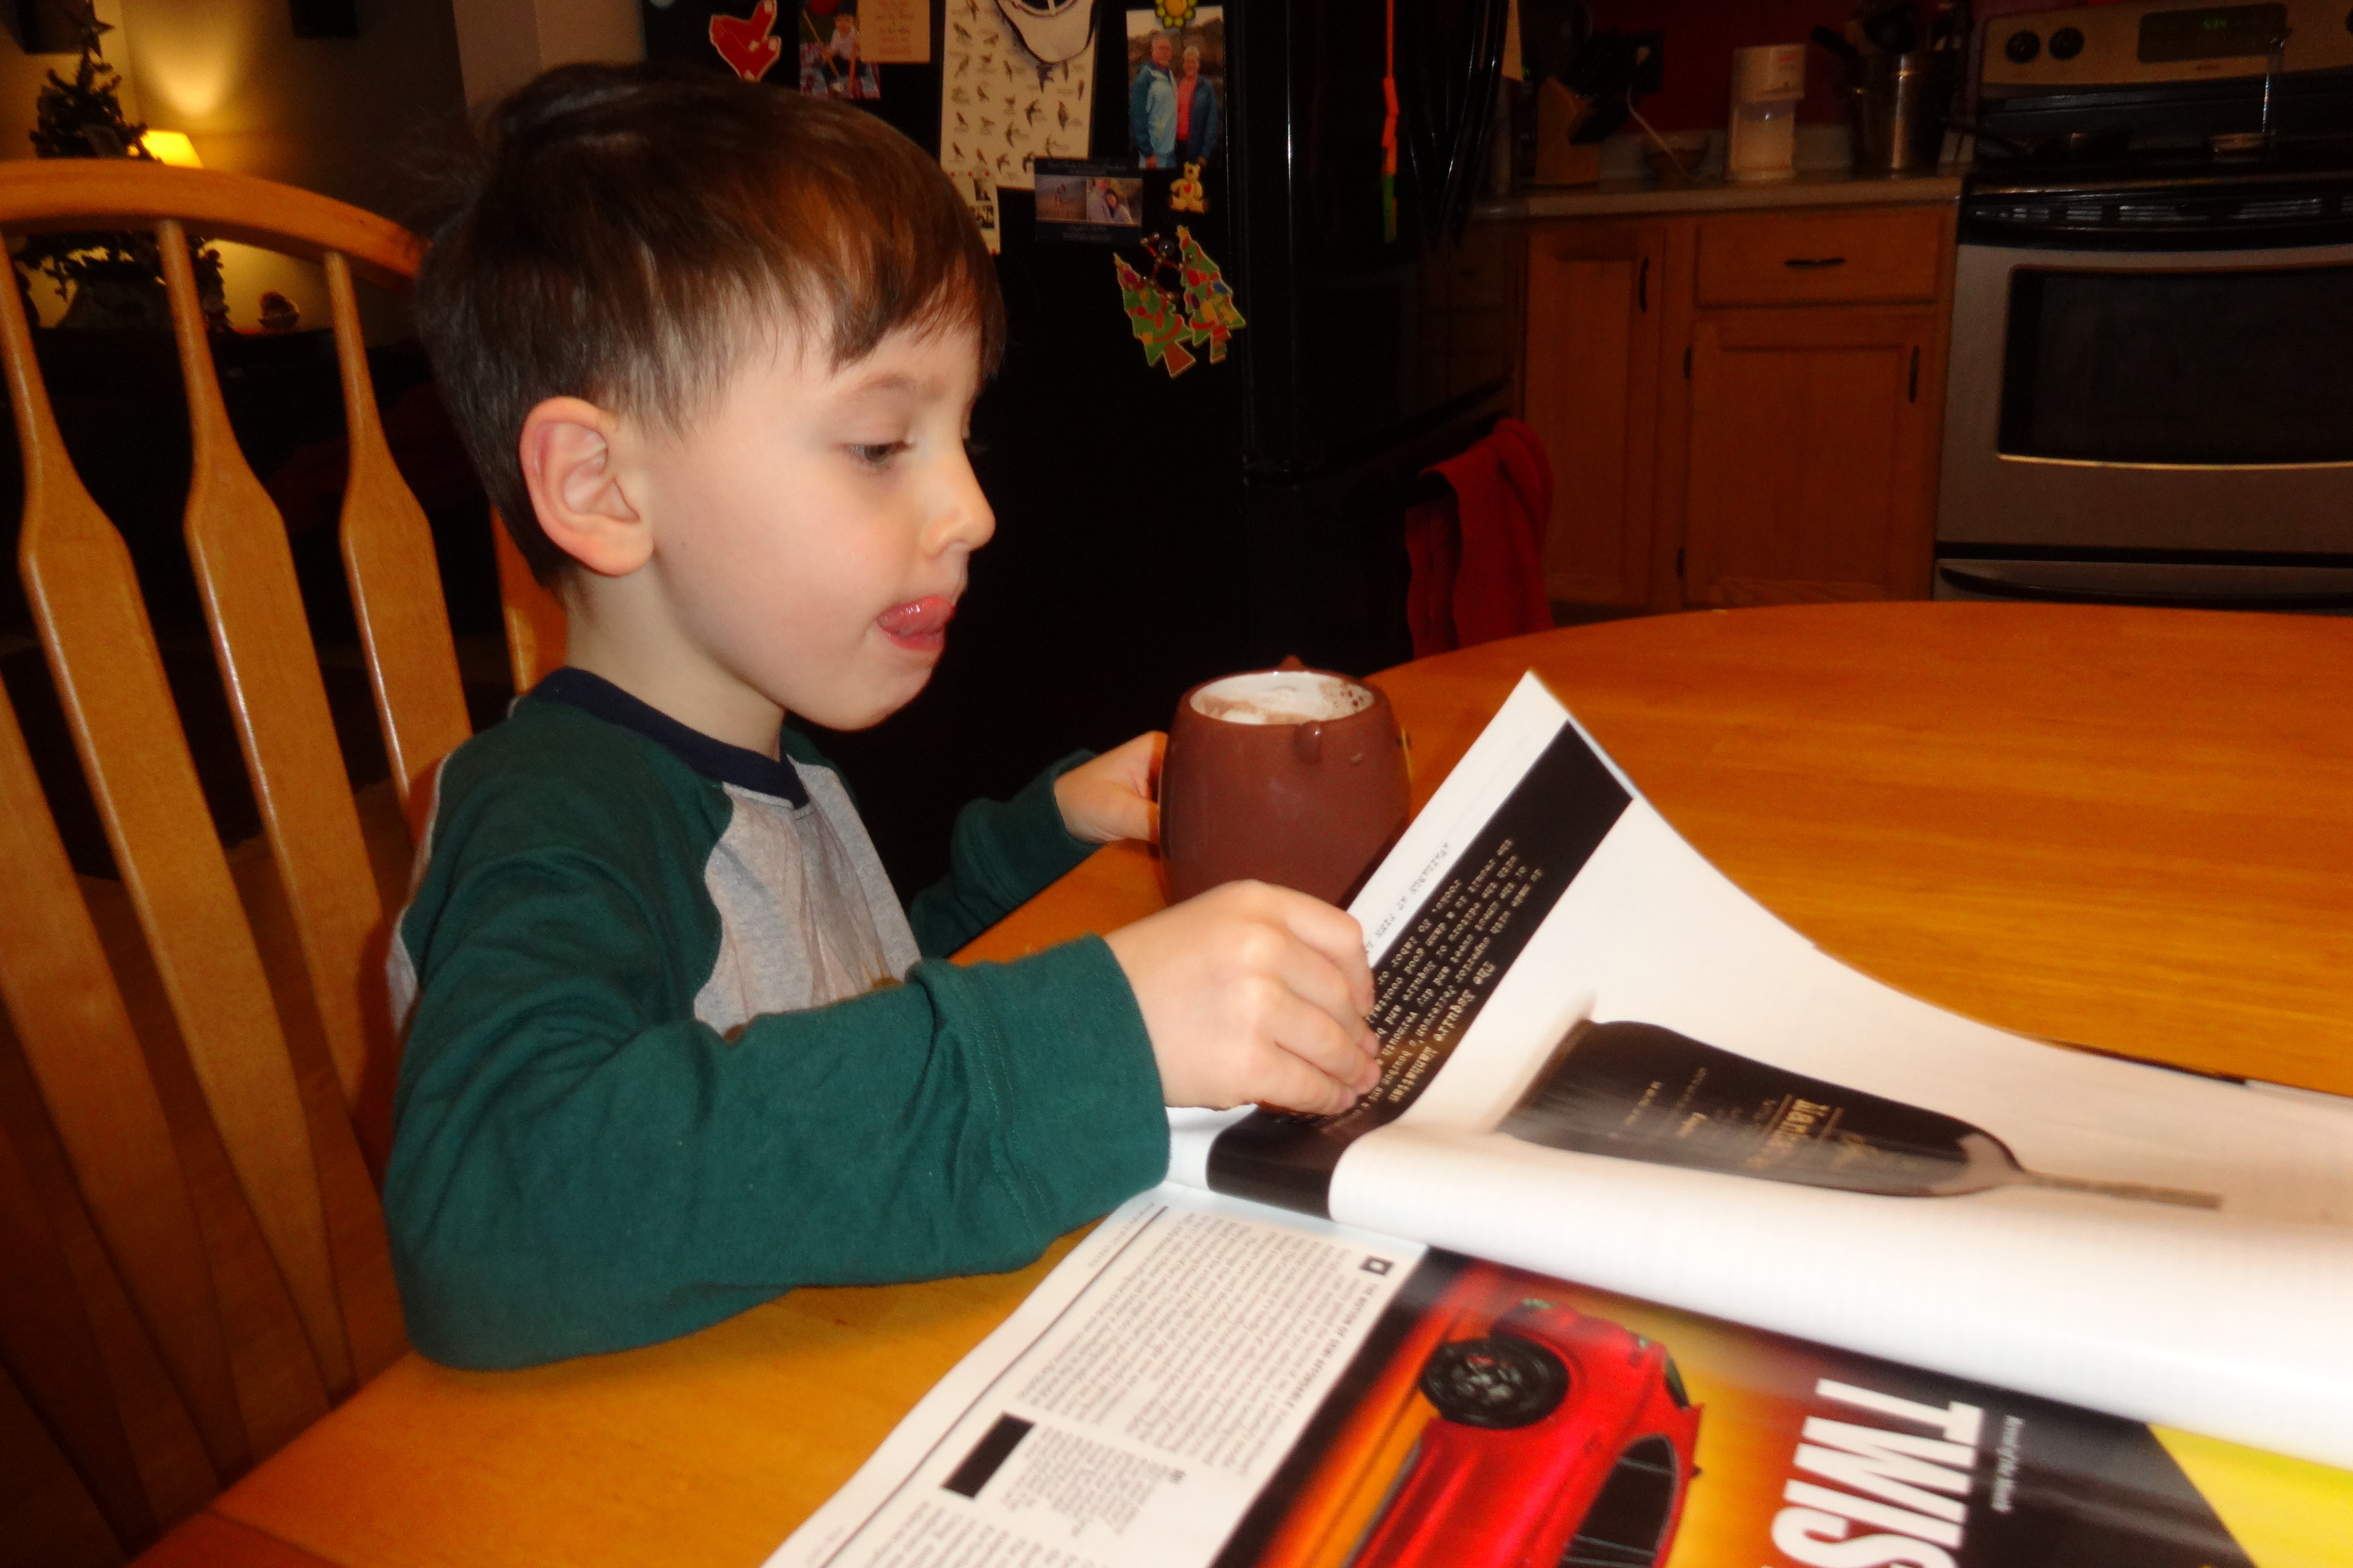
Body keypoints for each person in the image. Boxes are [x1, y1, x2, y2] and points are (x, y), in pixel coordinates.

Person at [396, 65, 1382, 1371]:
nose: (972, 511)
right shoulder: (553, 815)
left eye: (962, 434)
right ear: (600, 487)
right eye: (878, 445)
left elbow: (826, 1021)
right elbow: (489, 1206)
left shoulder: (768, 751)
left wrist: (1038, 840)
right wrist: (1096, 1037)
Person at [1130, 29, 1178, 167]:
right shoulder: (1145, 78)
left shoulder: (1170, 74)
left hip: (1169, 150)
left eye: (1168, 49)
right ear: (1153, 51)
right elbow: (1138, 117)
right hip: (1154, 154)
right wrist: (1148, 153)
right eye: (1161, 49)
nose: (1165, 52)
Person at [1176, 42, 1219, 165]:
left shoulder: (1207, 88)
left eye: (1193, 62)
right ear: (1183, 65)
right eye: (1187, 62)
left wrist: (1205, 153)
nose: (1190, 65)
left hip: (1196, 150)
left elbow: (1212, 121)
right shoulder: (1177, 86)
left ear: (1198, 65)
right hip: (1177, 147)